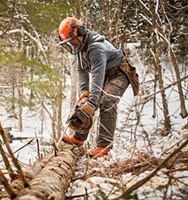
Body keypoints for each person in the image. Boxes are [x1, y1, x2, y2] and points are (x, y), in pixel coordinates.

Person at [58, 17, 139, 158]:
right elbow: (81, 70)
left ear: (80, 32)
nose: (71, 44)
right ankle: (78, 138)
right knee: (85, 103)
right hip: (105, 74)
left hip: (119, 73)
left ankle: (104, 146)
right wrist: (84, 94)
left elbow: (97, 76)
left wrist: (91, 102)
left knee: (107, 102)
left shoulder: (95, 47)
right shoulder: (79, 47)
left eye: (72, 40)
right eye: (69, 42)